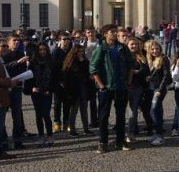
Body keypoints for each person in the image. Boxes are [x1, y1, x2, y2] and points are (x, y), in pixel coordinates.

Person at [90, 24, 134, 153]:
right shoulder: (100, 49)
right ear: (105, 34)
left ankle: (120, 141)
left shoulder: (123, 48)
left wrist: (129, 81)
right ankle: (103, 142)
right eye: (112, 32)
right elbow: (93, 69)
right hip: (107, 88)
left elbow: (131, 64)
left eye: (116, 31)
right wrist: (101, 85)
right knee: (103, 116)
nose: (115, 34)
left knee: (120, 116)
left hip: (121, 86)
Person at [3, 35, 29, 149]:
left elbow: (22, 69)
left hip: (17, 87)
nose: (17, 42)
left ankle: (17, 140)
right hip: (5, 88)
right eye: (14, 40)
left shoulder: (20, 53)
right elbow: (5, 68)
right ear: (8, 42)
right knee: (2, 115)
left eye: (18, 40)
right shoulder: (4, 54)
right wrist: (17, 63)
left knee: (17, 115)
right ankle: (4, 141)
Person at [61, 45, 92, 136]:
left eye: (82, 51)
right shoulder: (70, 63)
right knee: (74, 110)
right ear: (74, 53)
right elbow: (67, 77)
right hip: (74, 90)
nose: (81, 53)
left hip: (84, 88)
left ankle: (86, 129)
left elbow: (87, 74)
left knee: (84, 110)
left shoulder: (85, 61)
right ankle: (72, 130)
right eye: (79, 52)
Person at [125, 38, 152, 144]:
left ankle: (130, 133)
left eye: (136, 44)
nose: (134, 46)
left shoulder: (142, 57)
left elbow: (146, 71)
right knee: (122, 111)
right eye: (132, 44)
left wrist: (141, 74)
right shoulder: (123, 56)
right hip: (125, 86)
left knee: (133, 111)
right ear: (127, 45)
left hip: (137, 87)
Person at [0, 39, 16, 160]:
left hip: (0, 96)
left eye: (7, 46)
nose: (6, 48)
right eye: (3, 46)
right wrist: (9, 82)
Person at [146, 40, 171, 146]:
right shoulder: (152, 59)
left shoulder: (163, 59)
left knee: (153, 110)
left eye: (157, 48)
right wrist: (149, 78)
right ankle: (158, 133)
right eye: (152, 49)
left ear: (160, 49)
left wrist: (160, 90)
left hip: (159, 89)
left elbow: (166, 75)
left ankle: (159, 135)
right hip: (153, 87)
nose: (155, 51)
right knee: (158, 110)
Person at [50, 32, 72, 132]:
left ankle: (66, 123)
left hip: (68, 81)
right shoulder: (56, 52)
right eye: (64, 39)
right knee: (58, 104)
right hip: (58, 82)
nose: (66, 41)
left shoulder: (71, 52)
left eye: (68, 39)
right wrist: (59, 80)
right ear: (59, 40)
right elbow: (53, 68)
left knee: (67, 103)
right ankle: (57, 123)